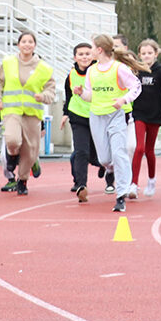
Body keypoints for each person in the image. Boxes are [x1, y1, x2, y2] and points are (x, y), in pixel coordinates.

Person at [80, 34, 144, 213]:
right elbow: (90, 95)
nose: (90, 51)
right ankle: (110, 170)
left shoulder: (119, 68)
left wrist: (123, 100)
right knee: (104, 159)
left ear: (99, 50)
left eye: (92, 47)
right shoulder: (92, 70)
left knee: (119, 153)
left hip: (117, 115)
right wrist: (80, 93)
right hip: (97, 115)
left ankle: (121, 195)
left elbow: (136, 86)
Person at [0, 32, 55, 196]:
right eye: (24, 41)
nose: (27, 44)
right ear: (18, 45)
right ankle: (12, 155)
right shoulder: (8, 63)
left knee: (30, 150)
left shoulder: (44, 68)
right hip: (11, 110)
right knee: (12, 139)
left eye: (30, 42)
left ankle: (23, 180)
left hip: (32, 113)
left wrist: (43, 96)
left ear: (35, 45)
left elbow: (50, 91)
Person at [129, 39, 161, 198]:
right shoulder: (135, 71)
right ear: (139, 55)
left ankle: (151, 180)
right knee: (139, 148)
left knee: (149, 150)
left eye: (150, 53)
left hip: (155, 115)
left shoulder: (160, 72)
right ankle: (133, 184)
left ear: (156, 54)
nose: (146, 56)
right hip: (139, 114)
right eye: (143, 53)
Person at [60, 42, 103, 202]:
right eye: (81, 54)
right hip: (78, 116)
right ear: (75, 57)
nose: (84, 57)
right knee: (81, 151)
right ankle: (81, 186)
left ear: (92, 56)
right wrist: (65, 114)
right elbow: (69, 96)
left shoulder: (99, 72)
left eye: (87, 54)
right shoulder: (71, 75)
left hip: (97, 115)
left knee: (96, 154)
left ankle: (102, 165)